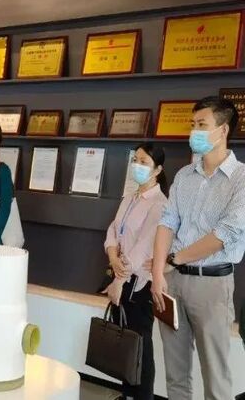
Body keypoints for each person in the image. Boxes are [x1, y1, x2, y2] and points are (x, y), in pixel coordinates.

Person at [152, 96, 245, 400]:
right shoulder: (184, 175)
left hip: (212, 286)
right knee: (175, 375)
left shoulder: (241, 178)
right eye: (192, 124)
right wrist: (158, 273)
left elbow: (224, 234)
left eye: (202, 124)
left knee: (215, 378)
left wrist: (175, 258)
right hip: (172, 283)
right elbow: (167, 222)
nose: (194, 131)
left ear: (223, 130)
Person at [103, 143, 168, 400]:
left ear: (157, 170)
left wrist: (119, 280)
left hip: (138, 284)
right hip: (120, 274)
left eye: (144, 162)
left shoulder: (159, 204)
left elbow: (143, 247)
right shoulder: (129, 197)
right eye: (136, 160)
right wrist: (112, 257)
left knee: (140, 346)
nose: (137, 166)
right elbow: (113, 230)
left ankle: (142, 397)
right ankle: (127, 394)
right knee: (125, 342)